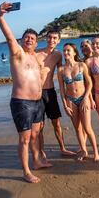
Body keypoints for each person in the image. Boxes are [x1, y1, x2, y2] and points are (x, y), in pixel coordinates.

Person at [0, 2, 51, 183]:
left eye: (33, 38)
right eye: (26, 37)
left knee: (36, 134)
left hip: (37, 102)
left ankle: (36, 161)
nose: (29, 40)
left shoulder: (35, 58)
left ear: (36, 43)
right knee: (25, 139)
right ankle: (26, 171)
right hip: (22, 103)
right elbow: (9, 37)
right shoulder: (17, 53)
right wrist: (0, 16)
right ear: (21, 41)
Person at [58, 43, 99, 162]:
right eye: (64, 51)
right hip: (71, 101)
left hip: (83, 98)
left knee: (87, 127)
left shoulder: (81, 65)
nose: (65, 53)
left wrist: (87, 98)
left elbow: (89, 83)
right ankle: (83, 150)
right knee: (77, 128)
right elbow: (62, 89)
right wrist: (65, 105)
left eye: (68, 50)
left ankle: (96, 152)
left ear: (74, 52)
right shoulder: (61, 69)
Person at [36, 30, 75, 158]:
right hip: (36, 93)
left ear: (58, 40)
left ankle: (63, 148)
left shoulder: (58, 55)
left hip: (50, 92)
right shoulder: (36, 53)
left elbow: (63, 72)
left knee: (56, 123)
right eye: (49, 37)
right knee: (39, 125)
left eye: (54, 38)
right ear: (46, 38)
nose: (51, 40)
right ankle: (41, 151)